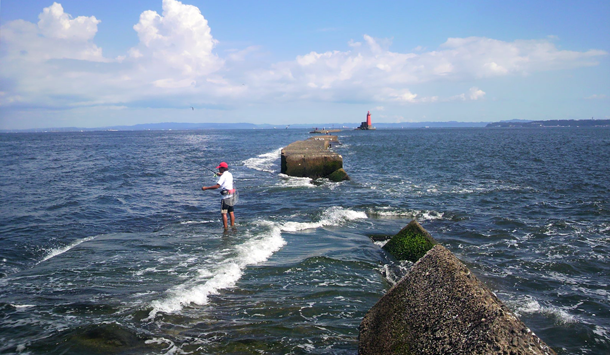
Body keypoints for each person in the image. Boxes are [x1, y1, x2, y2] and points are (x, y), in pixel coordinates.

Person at [202, 162, 236, 229]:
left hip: (225, 197)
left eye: (220, 168)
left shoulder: (223, 176)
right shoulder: (230, 174)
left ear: (223, 168)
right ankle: (232, 226)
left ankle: (225, 228)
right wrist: (220, 174)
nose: (219, 169)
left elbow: (217, 186)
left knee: (224, 213)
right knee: (231, 212)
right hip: (231, 196)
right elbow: (225, 177)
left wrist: (206, 188)